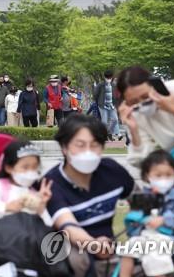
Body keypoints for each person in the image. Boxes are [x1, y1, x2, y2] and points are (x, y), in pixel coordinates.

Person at [44, 114, 135, 277]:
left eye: (94, 145)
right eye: (80, 145)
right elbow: (67, 225)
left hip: (111, 247)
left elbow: (141, 198)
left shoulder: (112, 170)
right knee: (75, 257)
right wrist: (93, 245)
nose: (88, 152)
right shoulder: (51, 183)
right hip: (75, 250)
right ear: (64, 147)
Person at [119, 150, 174, 277]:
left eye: (168, 175)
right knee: (128, 247)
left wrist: (165, 220)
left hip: (172, 238)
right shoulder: (145, 196)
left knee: (155, 253)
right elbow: (135, 219)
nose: (164, 179)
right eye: (158, 175)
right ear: (147, 176)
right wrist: (136, 221)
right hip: (146, 235)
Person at [0, 140, 53, 227]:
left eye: (35, 167)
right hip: (3, 237)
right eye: (25, 167)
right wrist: (6, 207)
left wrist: (41, 208)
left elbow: (48, 225)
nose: (31, 172)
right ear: (9, 168)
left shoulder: (33, 193)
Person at [94, 70, 122, 141]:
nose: (108, 78)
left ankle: (109, 132)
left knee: (115, 120)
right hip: (102, 105)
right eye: (107, 77)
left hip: (112, 105)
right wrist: (98, 102)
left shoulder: (114, 85)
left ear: (112, 77)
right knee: (104, 122)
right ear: (104, 77)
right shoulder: (100, 85)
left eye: (109, 77)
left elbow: (116, 95)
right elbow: (96, 94)